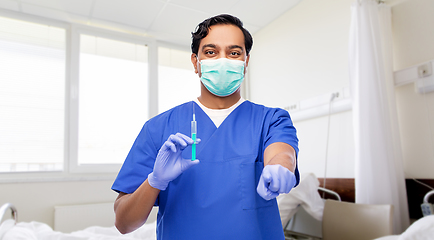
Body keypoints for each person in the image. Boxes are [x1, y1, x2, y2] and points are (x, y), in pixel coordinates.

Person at [111, 14, 300, 240]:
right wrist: (155, 181)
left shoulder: (270, 119)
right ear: (195, 62)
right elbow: (123, 223)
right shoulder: (157, 128)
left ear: (246, 62)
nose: (223, 60)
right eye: (211, 52)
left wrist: (279, 166)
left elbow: (282, 152)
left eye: (234, 53)